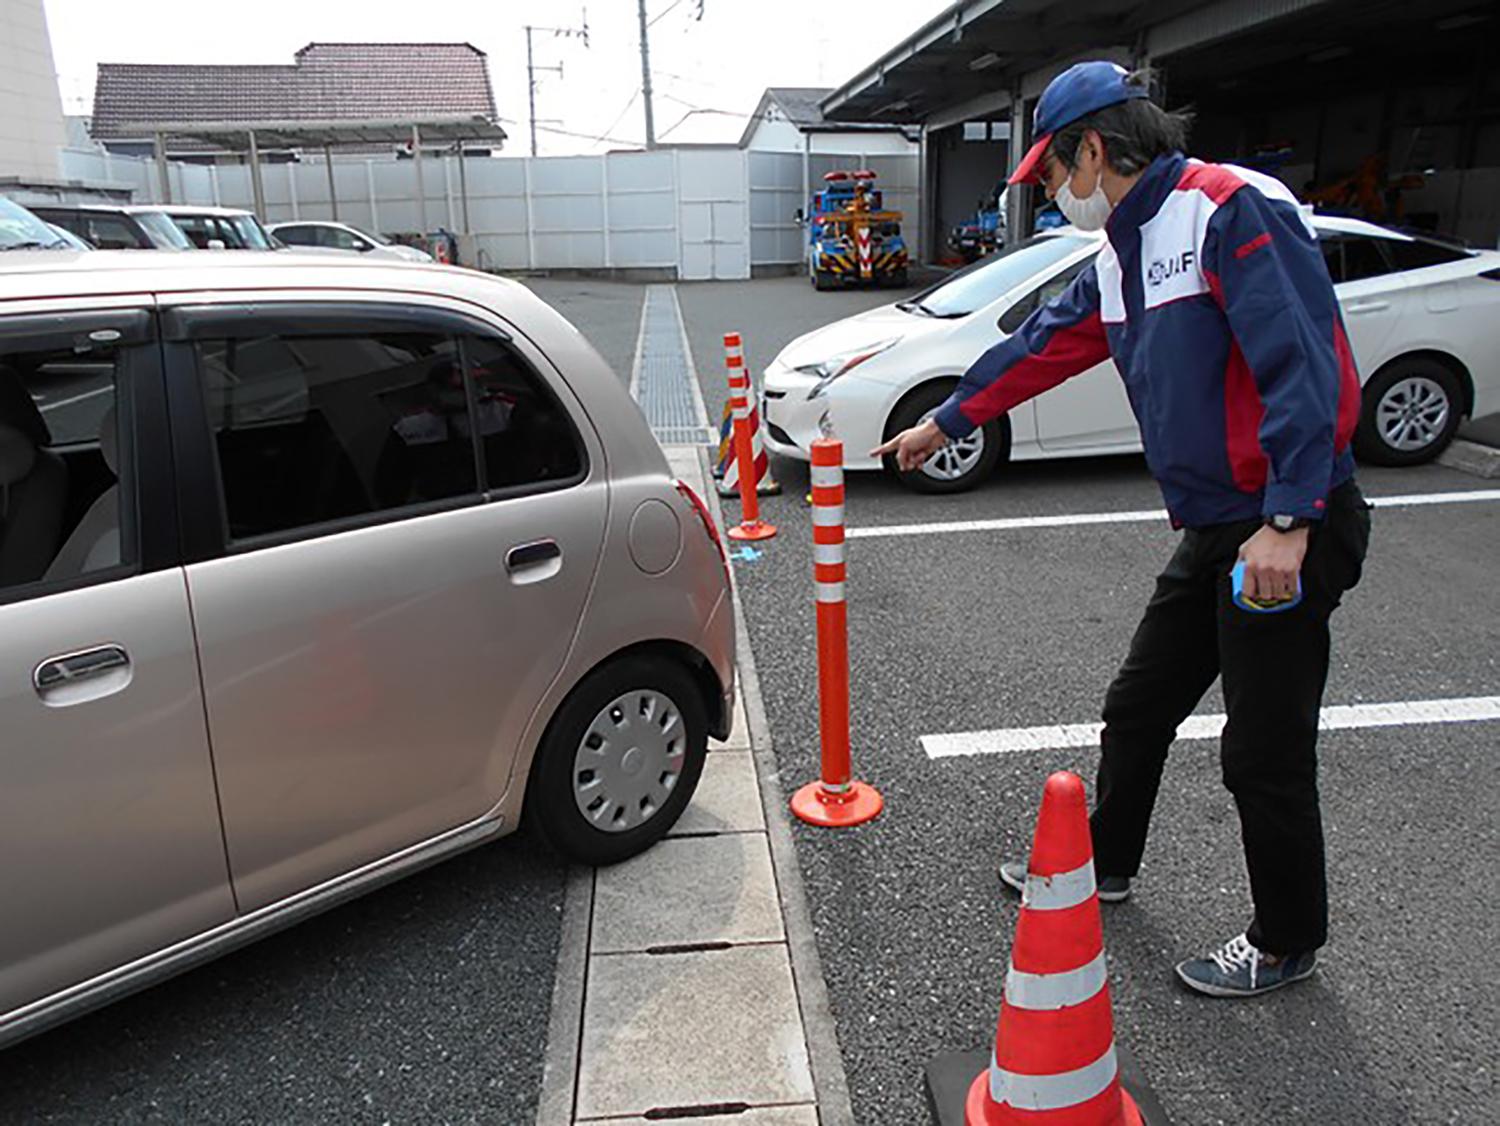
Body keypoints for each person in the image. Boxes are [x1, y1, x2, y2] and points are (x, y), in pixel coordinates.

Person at [874, 61, 1372, 998]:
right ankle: (1106, 863)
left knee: (1261, 749)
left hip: (1282, 525)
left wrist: (1289, 518)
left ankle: (1286, 937)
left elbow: (1303, 364)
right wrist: (950, 417)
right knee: (1139, 703)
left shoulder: (1227, 209)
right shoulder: (1120, 255)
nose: (1056, 196)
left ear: (1094, 151)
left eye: (1056, 176)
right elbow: (1043, 343)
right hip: (1220, 526)